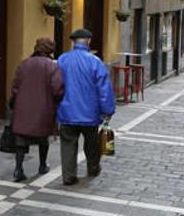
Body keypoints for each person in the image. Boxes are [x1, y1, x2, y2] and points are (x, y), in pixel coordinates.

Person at [57, 29, 116, 186]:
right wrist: (108, 110)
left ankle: (68, 176)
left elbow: (56, 85)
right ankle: (93, 167)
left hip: (67, 112)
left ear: (73, 42)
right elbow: (104, 89)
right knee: (91, 143)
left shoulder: (62, 60)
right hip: (90, 114)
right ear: (88, 41)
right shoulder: (95, 62)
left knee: (68, 144)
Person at [9, 38, 64, 182]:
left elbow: (15, 86)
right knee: (42, 137)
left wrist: (14, 101)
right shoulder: (52, 67)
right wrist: (57, 102)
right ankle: (42, 165)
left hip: (23, 106)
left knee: (21, 139)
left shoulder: (24, 64)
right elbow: (57, 89)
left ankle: (18, 168)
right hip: (43, 107)